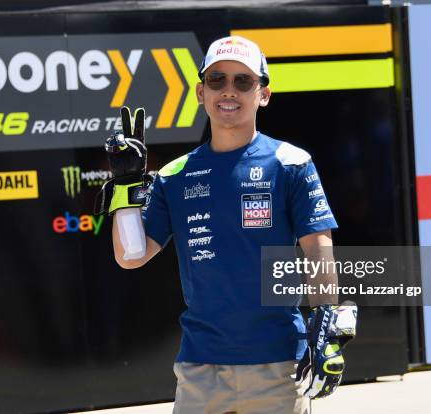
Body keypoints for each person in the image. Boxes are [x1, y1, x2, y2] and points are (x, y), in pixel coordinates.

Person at [105, 36, 357, 414]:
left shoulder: (291, 162)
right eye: (218, 79)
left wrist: (326, 326)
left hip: (278, 365)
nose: (229, 91)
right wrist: (126, 190)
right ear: (200, 92)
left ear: (264, 94)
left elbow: (317, 250)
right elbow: (131, 256)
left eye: (243, 82)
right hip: (200, 368)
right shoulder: (175, 174)